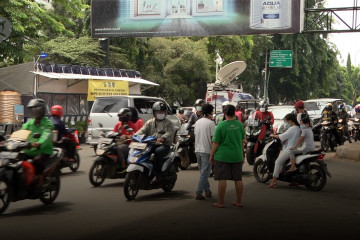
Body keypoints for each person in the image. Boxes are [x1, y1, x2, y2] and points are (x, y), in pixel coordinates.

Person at [210, 104, 246, 208]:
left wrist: (211, 155)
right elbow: (243, 141)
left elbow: (215, 143)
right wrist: (242, 154)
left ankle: (221, 202)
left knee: (222, 179)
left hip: (222, 156)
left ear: (225, 113)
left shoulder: (221, 125)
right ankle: (239, 201)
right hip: (237, 155)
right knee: (238, 179)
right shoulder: (239, 125)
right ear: (234, 113)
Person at [135, 101, 174, 183]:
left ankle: (158, 174)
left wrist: (163, 138)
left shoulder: (168, 123)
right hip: (151, 144)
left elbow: (170, 132)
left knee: (157, 152)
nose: (160, 113)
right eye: (158, 112)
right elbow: (142, 130)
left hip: (164, 145)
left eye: (162, 112)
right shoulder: (150, 122)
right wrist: (135, 135)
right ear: (154, 113)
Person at [22, 98, 53, 190]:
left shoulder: (47, 123)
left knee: (36, 161)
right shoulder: (29, 123)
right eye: (31, 109)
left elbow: (46, 135)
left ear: (41, 109)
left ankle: (40, 184)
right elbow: (21, 132)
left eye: (35, 108)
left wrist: (38, 143)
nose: (33, 111)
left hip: (43, 150)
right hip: (29, 150)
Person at [268, 113, 301, 188]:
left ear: (290, 121)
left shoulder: (292, 128)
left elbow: (282, 136)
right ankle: (293, 181)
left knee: (277, 162)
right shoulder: (298, 128)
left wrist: (273, 135)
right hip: (298, 148)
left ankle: (274, 181)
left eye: (287, 122)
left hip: (290, 149)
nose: (286, 123)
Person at [194, 103, 216, 200]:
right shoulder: (211, 123)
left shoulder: (198, 122)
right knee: (205, 173)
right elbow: (213, 140)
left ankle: (207, 191)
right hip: (206, 150)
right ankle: (199, 192)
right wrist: (214, 153)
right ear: (211, 111)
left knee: (203, 172)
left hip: (198, 150)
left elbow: (196, 135)